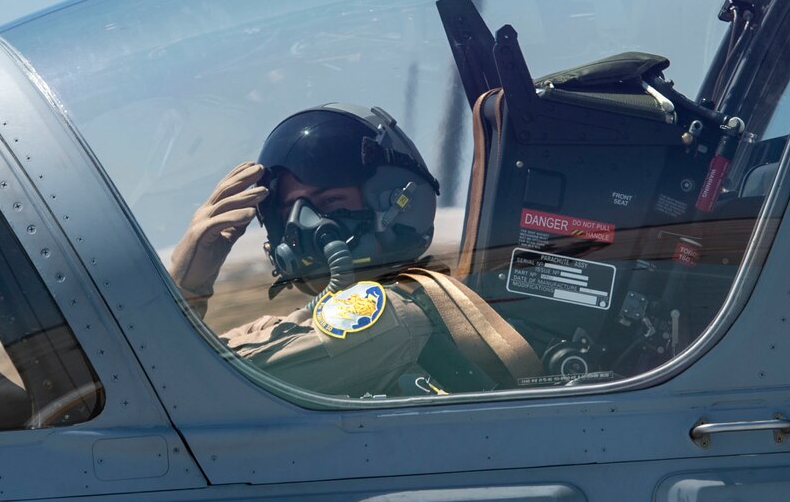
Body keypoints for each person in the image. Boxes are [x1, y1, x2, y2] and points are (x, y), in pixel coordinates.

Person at [168, 104, 535, 396]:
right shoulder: (314, 319)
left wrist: (185, 290)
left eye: (329, 200)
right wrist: (186, 285)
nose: (303, 224)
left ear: (394, 206)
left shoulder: (390, 317)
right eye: (288, 210)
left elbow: (194, 390)